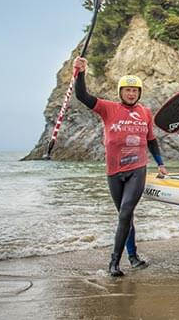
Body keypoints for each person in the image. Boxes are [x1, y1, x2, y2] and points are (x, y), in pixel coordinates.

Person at [72, 57, 168, 277]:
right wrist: (80, 72)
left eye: (135, 91)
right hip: (114, 171)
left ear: (139, 93)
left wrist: (160, 163)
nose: (132, 94)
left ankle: (114, 263)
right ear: (120, 92)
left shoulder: (145, 112)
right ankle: (133, 257)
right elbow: (82, 96)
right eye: (127, 90)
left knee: (125, 212)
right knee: (126, 216)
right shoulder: (108, 108)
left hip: (137, 168)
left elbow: (151, 140)